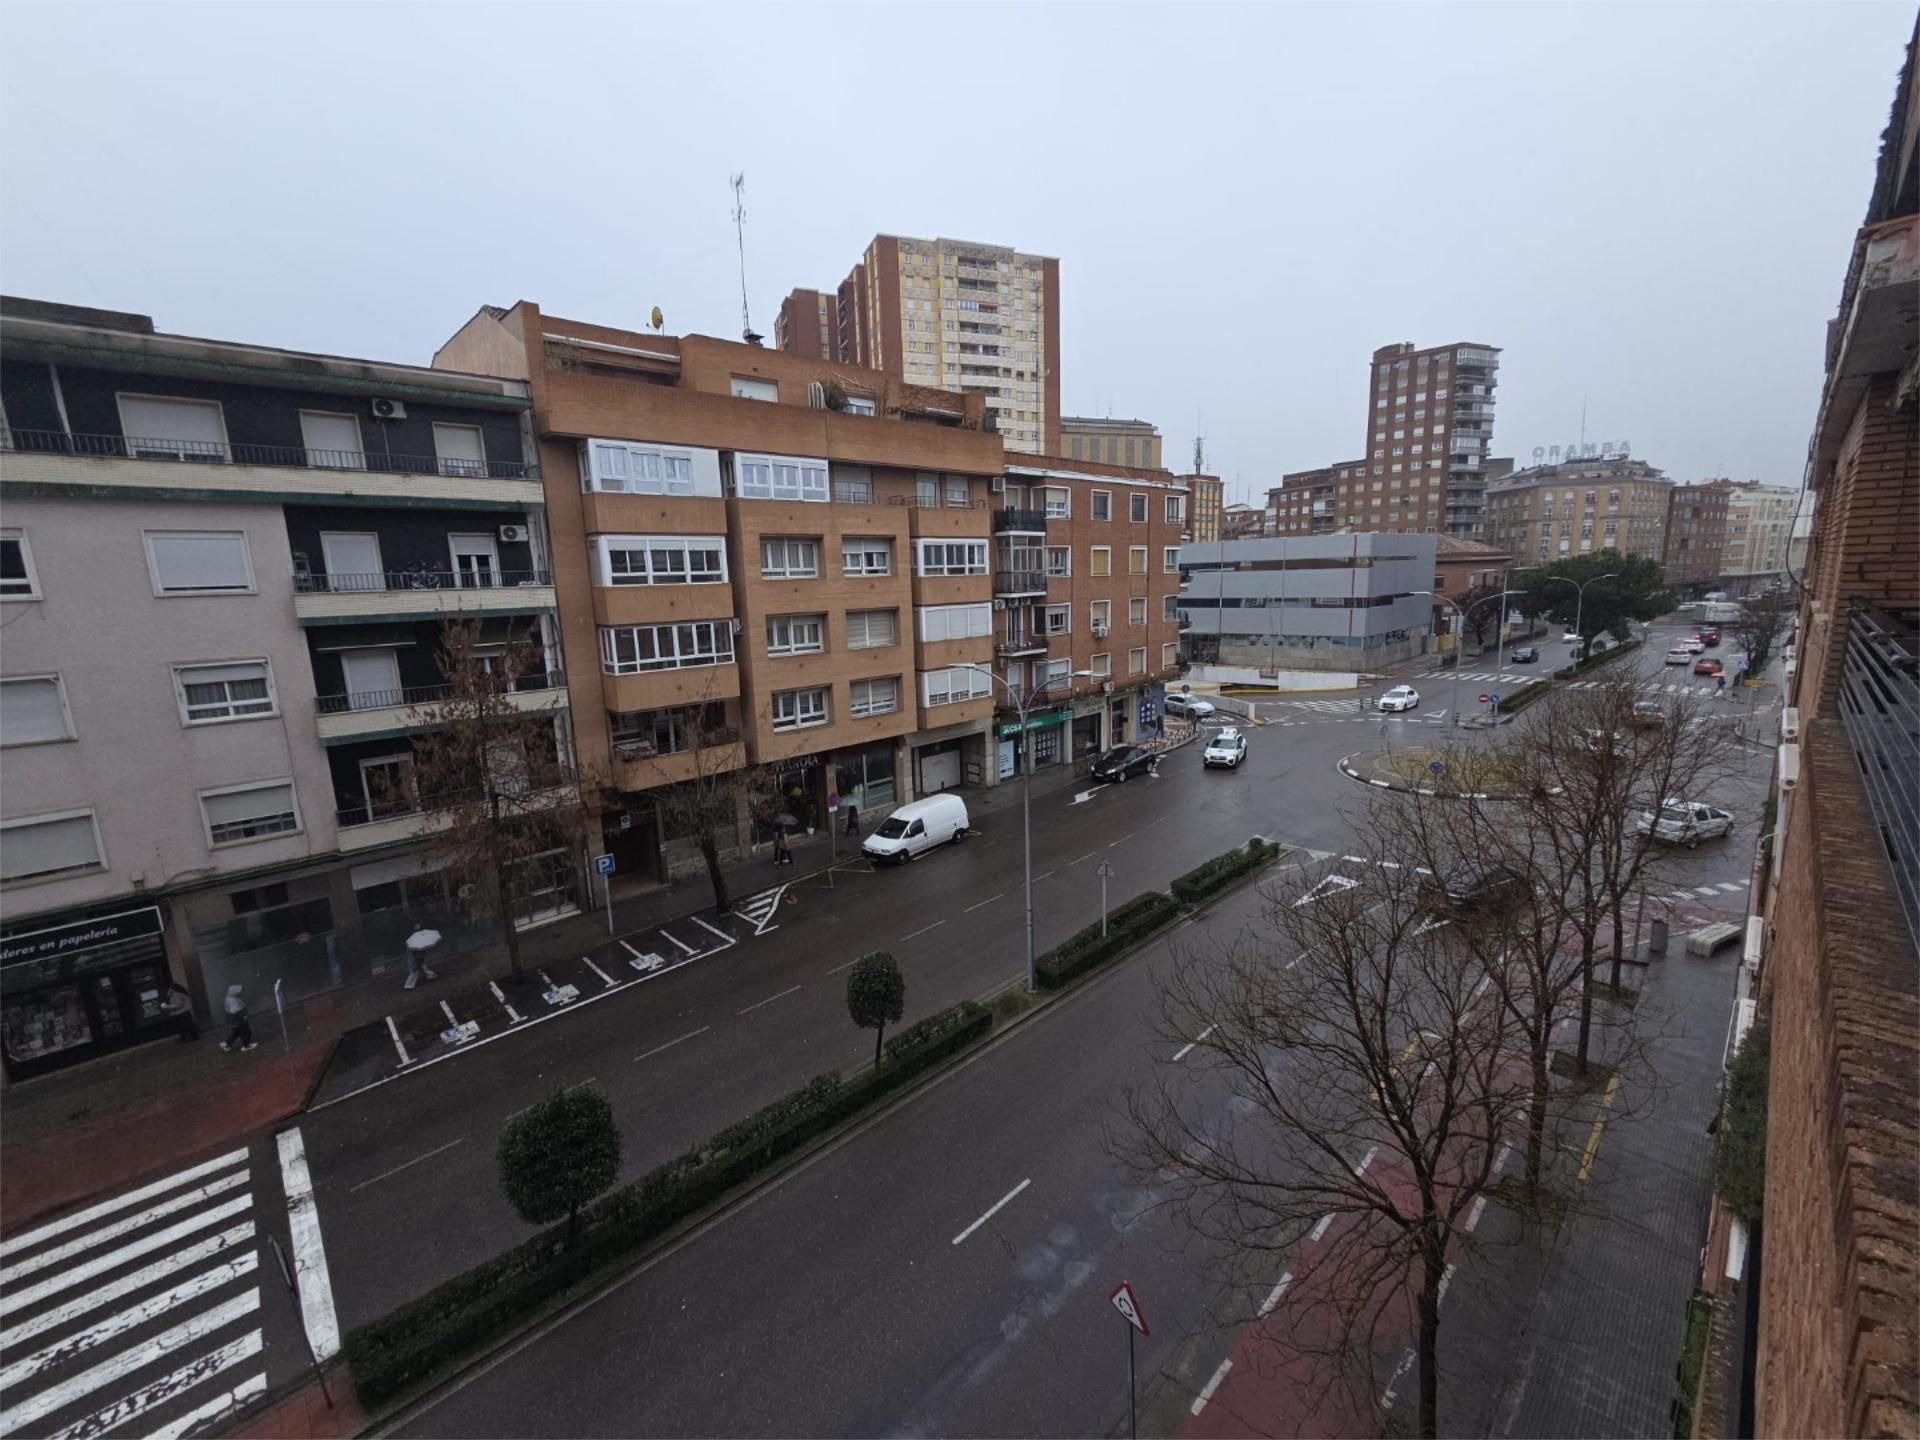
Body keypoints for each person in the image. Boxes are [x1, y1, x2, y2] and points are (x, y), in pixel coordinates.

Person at [220, 984, 256, 1052]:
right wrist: (244, 1017)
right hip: (238, 1021)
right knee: (246, 1032)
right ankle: (246, 1045)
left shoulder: (228, 998)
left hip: (233, 1021)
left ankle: (227, 1044)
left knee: (237, 1033)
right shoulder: (233, 1001)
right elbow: (237, 1012)